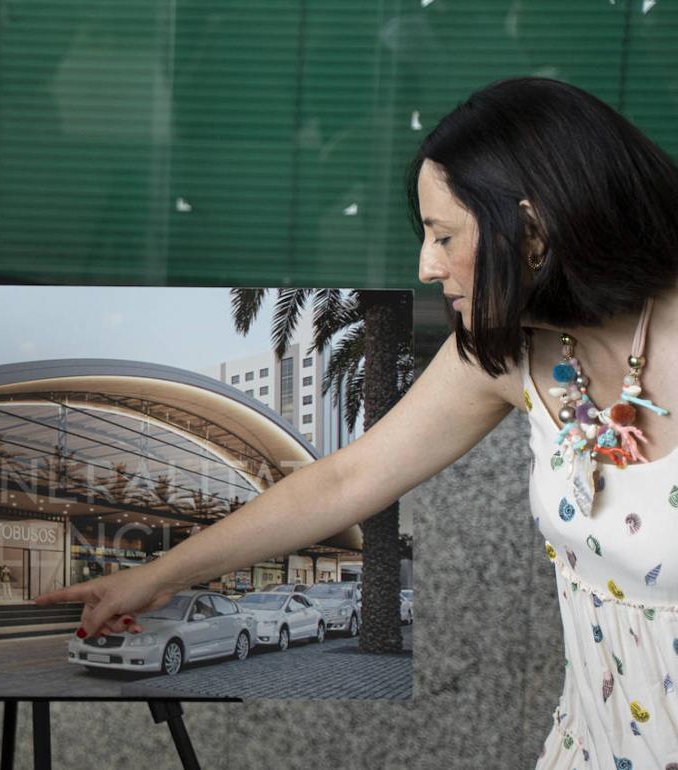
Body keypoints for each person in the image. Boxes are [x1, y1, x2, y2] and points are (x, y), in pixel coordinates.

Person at [37, 78, 677, 768]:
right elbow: (345, 480)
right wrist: (153, 577)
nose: (426, 266)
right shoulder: (512, 356)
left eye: (443, 235)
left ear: (532, 229)